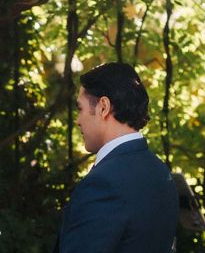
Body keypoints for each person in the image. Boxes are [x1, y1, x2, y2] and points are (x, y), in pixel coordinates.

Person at [54, 62, 179, 253]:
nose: (78, 121)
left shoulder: (103, 184)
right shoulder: (161, 172)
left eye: (80, 109)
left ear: (103, 107)